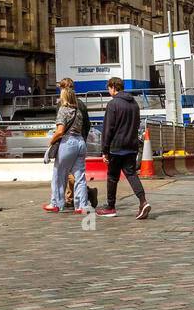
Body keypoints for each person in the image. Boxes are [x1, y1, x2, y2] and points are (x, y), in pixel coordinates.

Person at [96, 77, 150, 219]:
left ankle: (110, 206)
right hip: (131, 146)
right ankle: (143, 201)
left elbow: (108, 129)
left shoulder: (113, 104)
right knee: (131, 174)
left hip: (116, 147)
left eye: (108, 88)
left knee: (112, 176)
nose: (108, 91)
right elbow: (137, 125)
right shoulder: (134, 105)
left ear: (113, 87)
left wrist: (105, 151)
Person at [44, 82, 91, 214]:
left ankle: (56, 203)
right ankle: (82, 205)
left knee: (59, 174)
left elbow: (60, 131)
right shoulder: (78, 111)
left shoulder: (63, 110)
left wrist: (51, 141)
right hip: (80, 143)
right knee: (80, 176)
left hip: (68, 143)